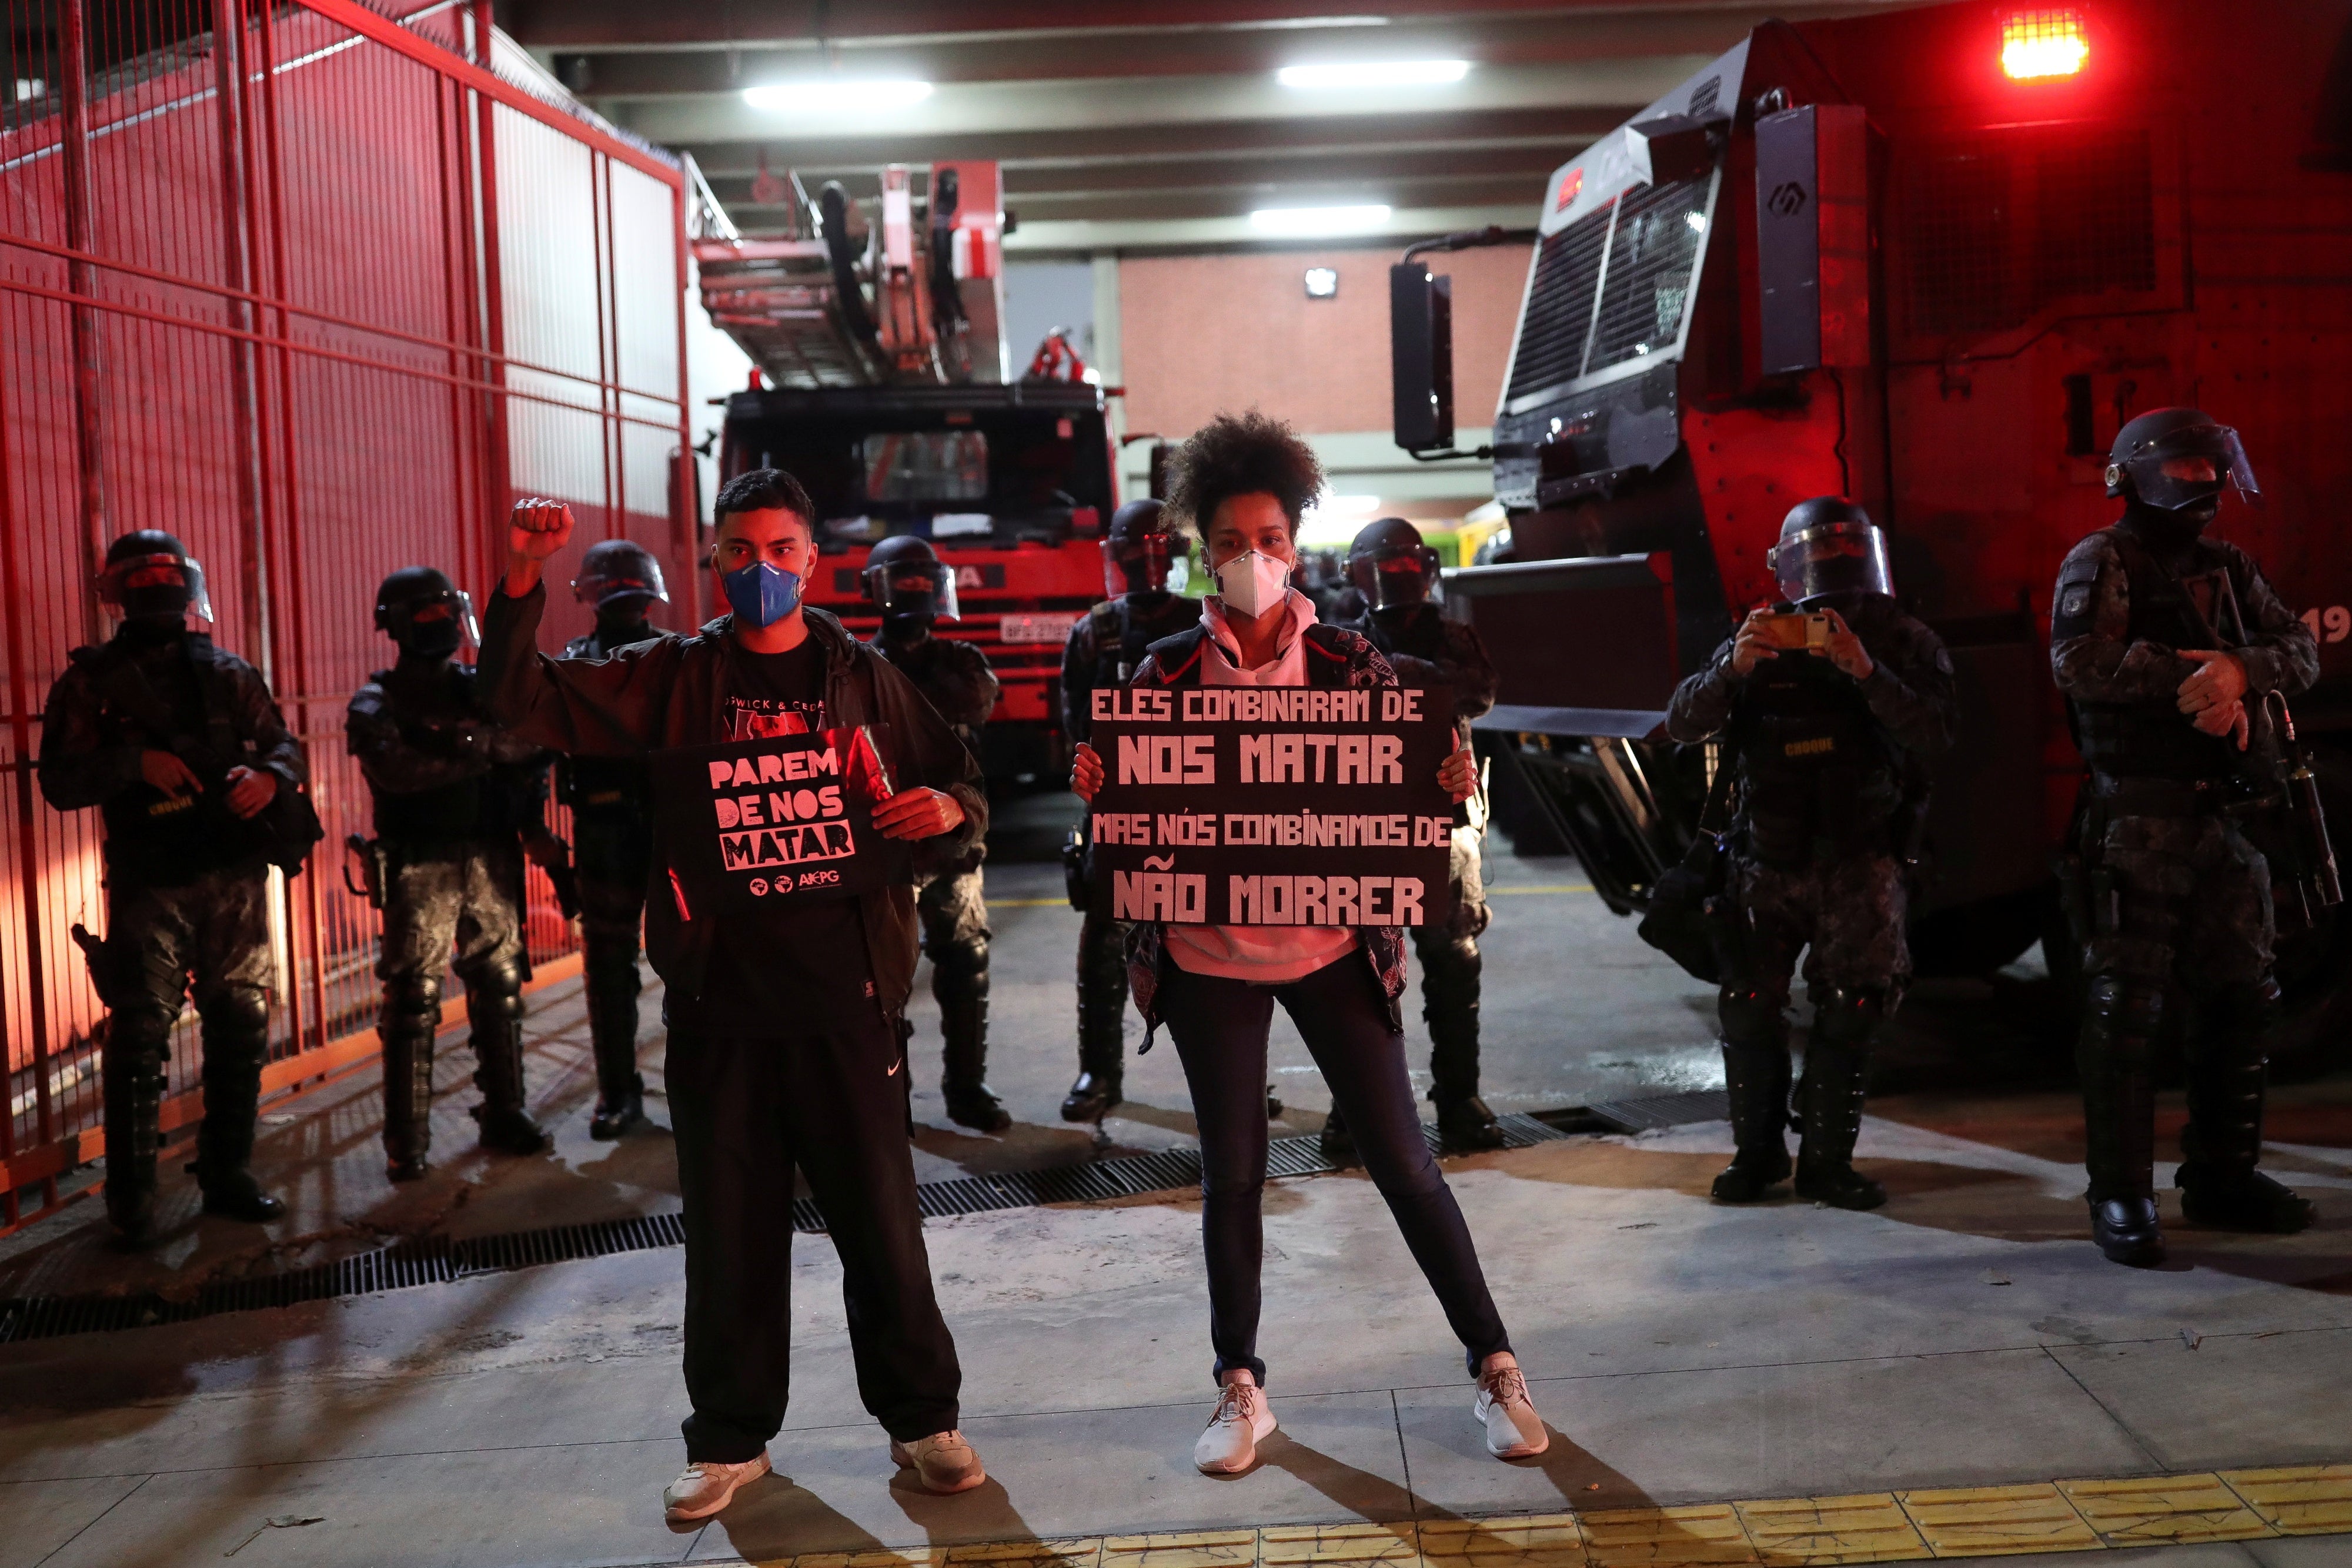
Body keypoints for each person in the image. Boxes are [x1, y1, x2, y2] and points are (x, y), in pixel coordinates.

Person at [477, 476, 991, 1522]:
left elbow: (961, 781)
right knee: (727, 1232)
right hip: (721, 1002)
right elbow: (522, 701)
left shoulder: (866, 677)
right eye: (739, 550)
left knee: (884, 1226)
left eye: (780, 548)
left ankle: (923, 1422)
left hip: (848, 999)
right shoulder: (672, 676)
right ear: (714, 563)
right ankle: (729, 1439)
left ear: (812, 561)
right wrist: (526, 576)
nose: (760, 569)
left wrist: (948, 805)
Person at [1068, 412, 1548, 1476]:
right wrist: (1101, 793)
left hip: (1335, 946)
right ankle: (1241, 1388)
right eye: (1233, 541)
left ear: (1298, 540)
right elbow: (1123, 828)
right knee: (1232, 1174)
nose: (1255, 560)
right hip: (1206, 961)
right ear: (1202, 547)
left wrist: (1446, 780)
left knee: (1407, 1163)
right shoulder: (1157, 677)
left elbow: (1424, 771)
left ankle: (1496, 1365)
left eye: (1273, 538)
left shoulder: (1347, 660)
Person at [2050, 407, 2320, 1266]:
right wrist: (2194, 679)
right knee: (2127, 1013)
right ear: (2134, 479)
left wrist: (2243, 670)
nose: (2201, 491)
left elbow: (2301, 649)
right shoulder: (2103, 558)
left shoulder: (2227, 568)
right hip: (2138, 821)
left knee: (2243, 1001)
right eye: (2183, 474)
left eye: (2211, 473)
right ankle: (2122, 1192)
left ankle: (2223, 1175)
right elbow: (2078, 660)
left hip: (2223, 822)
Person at [1665, 497, 1957, 1212]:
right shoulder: (1761, 631)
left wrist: (1865, 671)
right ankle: (1757, 1155)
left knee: (1854, 1005)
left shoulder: (1899, 636)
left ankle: (1827, 1162)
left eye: (1842, 552)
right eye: (1816, 555)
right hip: (1767, 858)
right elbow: (1679, 721)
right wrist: (1731, 670)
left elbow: (1938, 733)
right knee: (1750, 1005)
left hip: (1861, 859)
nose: (1830, 569)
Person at [38, 531, 305, 1243]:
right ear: (120, 590)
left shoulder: (228, 672)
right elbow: (59, 781)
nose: (158, 585)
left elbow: (284, 744)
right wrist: (135, 763)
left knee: (242, 1024)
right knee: (138, 1037)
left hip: (234, 878)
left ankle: (229, 1173)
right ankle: (131, 1199)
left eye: (167, 572)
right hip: (148, 879)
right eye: (145, 573)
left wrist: (268, 777)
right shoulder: (91, 684)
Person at [348, 567, 560, 1182]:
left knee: (500, 986)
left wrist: (455, 743)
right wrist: (479, 748)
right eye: (424, 616)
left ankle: (506, 1111)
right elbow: (393, 770)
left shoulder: (476, 685)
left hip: (489, 853)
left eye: (445, 613)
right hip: (419, 861)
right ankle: (406, 1142)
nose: (439, 626)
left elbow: (530, 743)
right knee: (413, 1000)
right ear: (393, 625)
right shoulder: (377, 698)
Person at [1329, 516, 1505, 1152]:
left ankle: (1457, 1098)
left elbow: (1477, 692)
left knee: (1453, 963)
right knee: (1360, 972)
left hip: (1443, 822)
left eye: (1407, 565)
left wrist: (1394, 668)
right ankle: (1357, 1108)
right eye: (1386, 566)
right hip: (1366, 826)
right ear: (1358, 575)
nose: (1397, 577)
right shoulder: (1339, 641)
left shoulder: (1452, 635)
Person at [1057, 498, 1203, 1121]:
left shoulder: (1209, 624)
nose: (1147, 565)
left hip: (1199, 810)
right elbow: (1074, 726)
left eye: (1157, 552)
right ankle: (1099, 1071)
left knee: (1210, 947)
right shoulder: (1093, 631)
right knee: (1103, 944)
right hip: (1118, 808)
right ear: (1115, 559)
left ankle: (1227, 1075)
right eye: (1134, 554)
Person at [861, 534, 1008, 1133]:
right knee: (882, 979)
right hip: (884, 841)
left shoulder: (961, 660)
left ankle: (967, 1088)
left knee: (965, 958)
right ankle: (890, 1098)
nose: (916, 597)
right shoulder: (856, 662)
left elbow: (978, 702)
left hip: (951, 834)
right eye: (906, 584)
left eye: (925, 585)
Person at [558, 540, 669, 1139]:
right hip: (605, 829)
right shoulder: (574, 666)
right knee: (608, 965)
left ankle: (698, 1089)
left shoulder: (680, 657)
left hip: (673, 826)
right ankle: (619, 1093)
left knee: (694, 962)